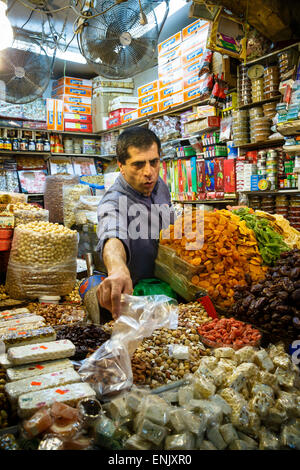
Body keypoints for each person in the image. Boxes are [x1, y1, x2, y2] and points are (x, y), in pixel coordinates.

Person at [96, 126, 174, 320]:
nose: (149, 172)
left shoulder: (159, 185)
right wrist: (117, 269)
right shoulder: (113, 201)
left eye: (154, 162)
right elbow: (111, 233)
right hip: (134, 299)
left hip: (166, 289)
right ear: (121, 166)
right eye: (138, 165)